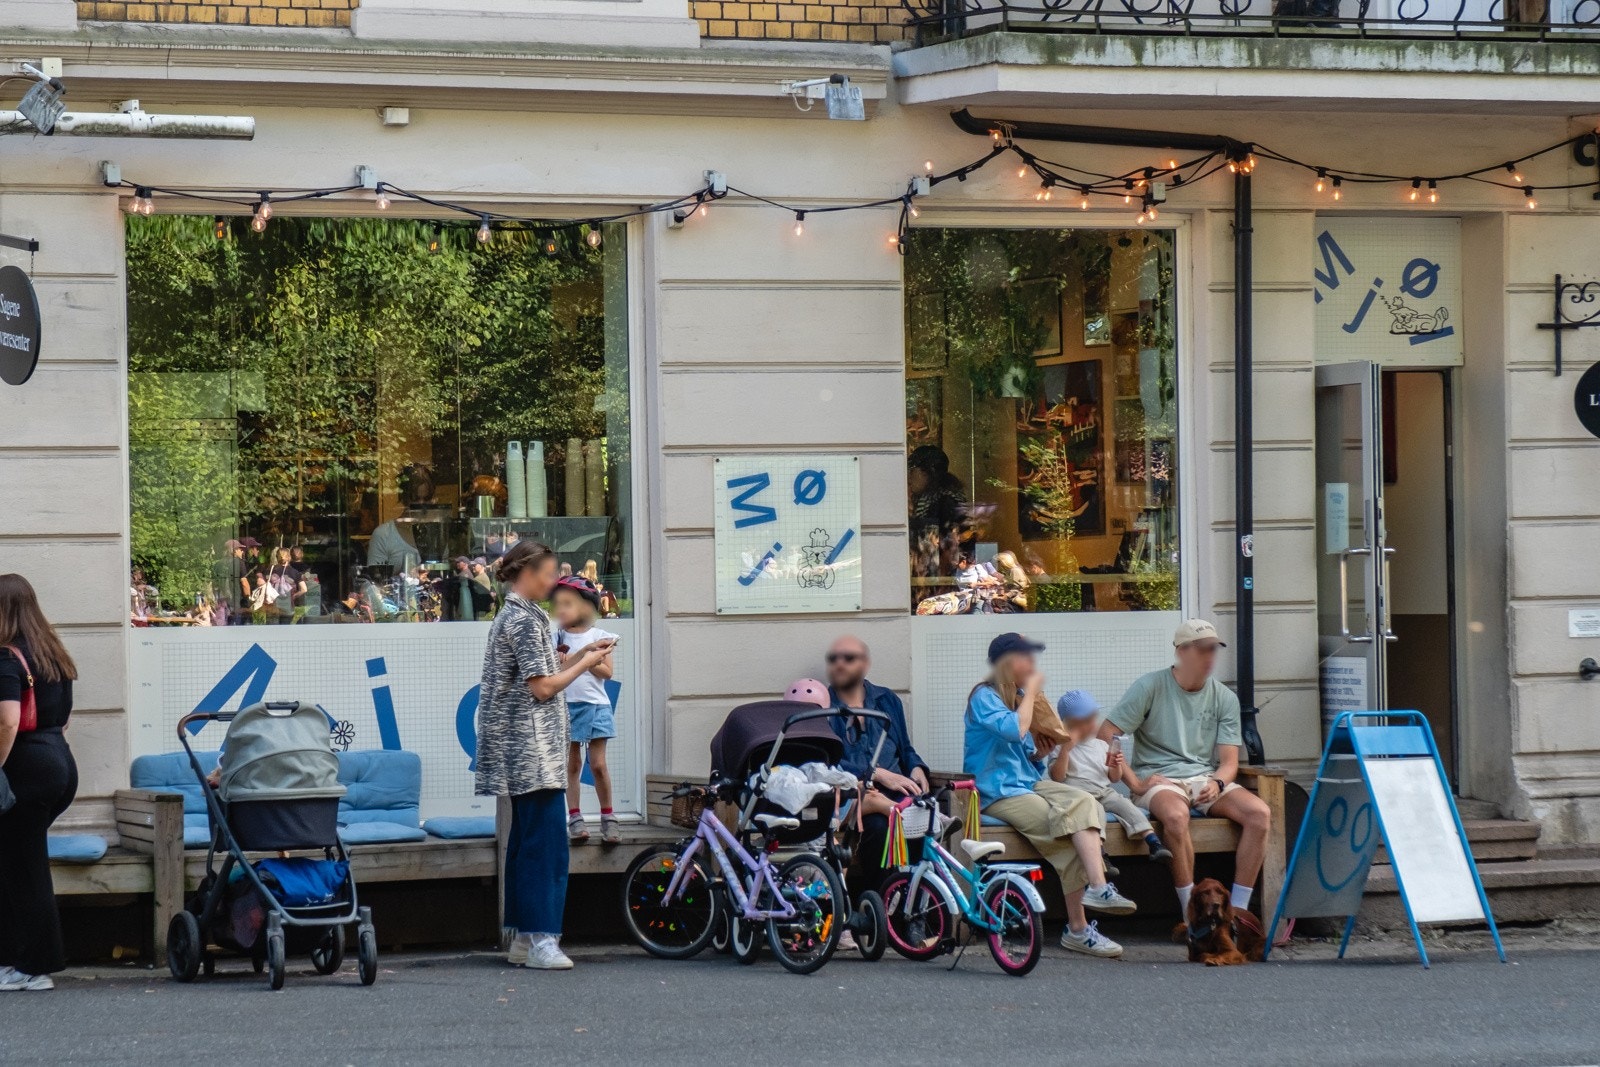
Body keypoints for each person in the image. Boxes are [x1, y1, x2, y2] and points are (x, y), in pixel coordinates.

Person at [475, 539, 615, 971]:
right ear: (528, 572)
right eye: (550, 573)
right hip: (532, 748)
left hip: (524, 746)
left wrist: (579, 655)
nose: (554, 583)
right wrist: (587, 661)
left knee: (526, 842)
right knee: (546, 846)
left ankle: (523, 938)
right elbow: (543, 688)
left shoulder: (518, 615)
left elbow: (541, 676)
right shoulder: (523, 619)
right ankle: (541, 940)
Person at [964, 632, 1134, 959]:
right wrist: (1031, 693)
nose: (1033, 663)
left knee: (1084, 800)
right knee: (1068, 840)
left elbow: (1029, 759)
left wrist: (1039, 755)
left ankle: (1098, 888)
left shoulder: (1021, 698)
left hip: (1027, 784)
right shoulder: (983, 697)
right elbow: (1014, 729)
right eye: (1025, 657)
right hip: (997, 792)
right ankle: (1079, 928)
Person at [1098, 619, 1272, 921]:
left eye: (1214, 649)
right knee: (1177, 817)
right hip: (1159, 778)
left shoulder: (1224, 697)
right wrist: (1135, 784)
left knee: (1260, 814)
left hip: (1204, 778)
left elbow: (1229, 762)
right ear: (1181, 651)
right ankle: (1191, 914)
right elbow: (1106, 734)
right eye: (1202, 649)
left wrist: (1218, 783)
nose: (1210, 657)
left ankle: (1237, 915)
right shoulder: (1150, 686)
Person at [0, 574, 80, 991]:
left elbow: (7, 721)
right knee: (14, 863)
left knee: (26, 869)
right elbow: (64, 719)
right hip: (59, 765)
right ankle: (14, 960)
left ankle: (35, 968)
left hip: (25, 772)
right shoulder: (52, 653)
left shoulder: (5, 657)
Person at [823, 636, 930, 893]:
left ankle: (915, 904)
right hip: (858, 796)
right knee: (880, 829)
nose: (839, 664)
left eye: (848, 658)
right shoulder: (824, 706)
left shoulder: (887, 700)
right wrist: (875, 774)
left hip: (899, 791)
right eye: (834, 659)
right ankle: (881, 903)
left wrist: (917, 767)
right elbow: (827, 762)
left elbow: (905, 748)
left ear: (865, 664)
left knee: (923, 824)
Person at [1050, 690, 1172, 863]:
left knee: (1125, 805)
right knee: (1096, 813)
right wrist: (1066, 750)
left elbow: (1114, 778)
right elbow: (1057, 777)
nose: (1093, 725)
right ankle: (1100, 852)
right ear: (1070, 724)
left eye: (1093, 719)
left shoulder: (1101, 745)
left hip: (1104, 791)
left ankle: (1153, 841)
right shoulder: (1059, 746)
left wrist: (1116, 764)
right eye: (1086, 721)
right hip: (1079, 795)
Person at [551, 576, 619, 845]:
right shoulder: (556, 637)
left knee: (598, 765)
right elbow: (555, 672)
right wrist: (583, 657)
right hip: (567, 705)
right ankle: (575, 818)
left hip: (597, 704)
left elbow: (607, 672)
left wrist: (585, 658)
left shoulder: (600, 637)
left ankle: (608, 818)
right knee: (573, 764)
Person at [212, 539, 250, 624]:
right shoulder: (239, 562)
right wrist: (248, 600)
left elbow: (214, 585)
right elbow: (244, 583)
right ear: (234, 550)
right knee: (238, 628)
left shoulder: (217, 564)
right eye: (240, 549)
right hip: (236, 603)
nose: (242, 552)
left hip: (222, 603)